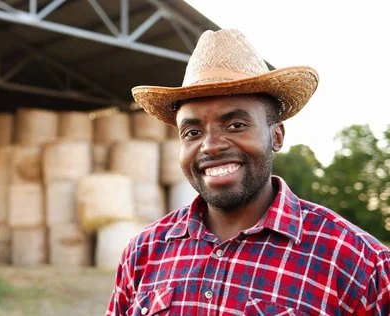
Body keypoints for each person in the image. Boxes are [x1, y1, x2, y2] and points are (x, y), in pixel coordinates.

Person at [105, 28, 390, 315]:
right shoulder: (143, 252)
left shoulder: (358, 264)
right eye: (192, 132)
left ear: (276, 136)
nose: (211, 146)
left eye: (236, 125)